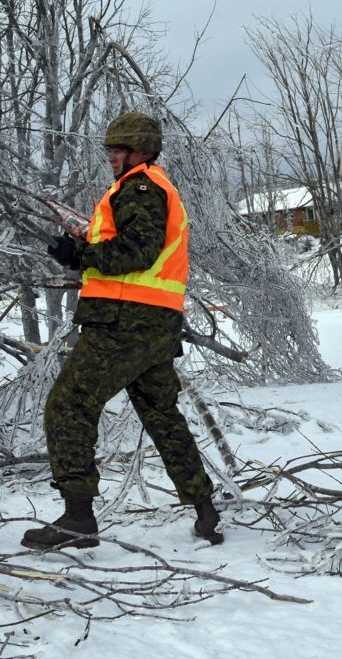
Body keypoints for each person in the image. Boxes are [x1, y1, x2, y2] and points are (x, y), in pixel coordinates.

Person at [22, 111, 223, 550]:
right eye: (110, 149)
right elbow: (141, 256)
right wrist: (85, 253)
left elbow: (137, 251)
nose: (111, 156)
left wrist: (79, 254)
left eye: (119, 149)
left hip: (123, 324)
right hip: (155, 325)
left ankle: (77, 518)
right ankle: (204, 507)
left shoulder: (141, 187)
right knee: (161, 414)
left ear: (142, 150)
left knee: (69, 405)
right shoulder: (152, 187)